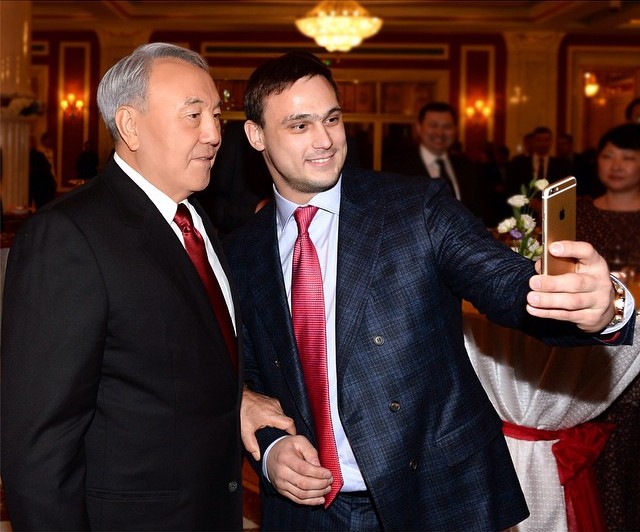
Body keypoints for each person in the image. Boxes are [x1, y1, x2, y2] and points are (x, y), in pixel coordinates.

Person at [223, 51, 635, 531]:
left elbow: (502, 282)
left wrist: (597, 306)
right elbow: (246, 376)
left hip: (434, 498)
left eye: (331, 119)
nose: (325, 140)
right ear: (256, 135)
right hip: (309, 512)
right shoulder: (241, 251)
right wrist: (272, 447)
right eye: (300, 125)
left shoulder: (415, 207)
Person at [1, 42, 292, 531]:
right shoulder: (69, 236)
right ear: (130, 126)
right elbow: (40, 443)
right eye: (193, 115)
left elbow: (171, 361)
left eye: (215, 116)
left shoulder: (195, 221)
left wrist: (238, 396)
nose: (213, 134)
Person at [576, 122, 640, 532]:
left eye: (628, 158)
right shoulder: (580, 212)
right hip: (591, 352)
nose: (616, 166)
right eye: (607, 156)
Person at [385, 101, 490, 225]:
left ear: (455, 130)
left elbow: (478, 214)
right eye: (433, 125)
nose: (440, 133)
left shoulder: (467, 168)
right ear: (419, 128)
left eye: (447, 127)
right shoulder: (398, 170)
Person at [507, 126, 570, 194]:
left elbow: (563, 189)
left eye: (546, 140)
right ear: (533, 141)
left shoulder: (561, 165)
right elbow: (512, 187)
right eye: (539, 140)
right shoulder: (519, 163)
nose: (543, 143)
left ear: (551, 142)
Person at [28, 134, 57, 209]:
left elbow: (50, 167)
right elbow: (47, 167)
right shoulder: (39, 153)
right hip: (41, 185)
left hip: (41, 184)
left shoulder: (49, 151)